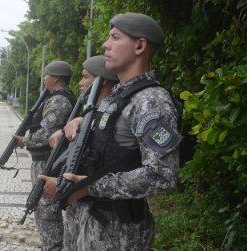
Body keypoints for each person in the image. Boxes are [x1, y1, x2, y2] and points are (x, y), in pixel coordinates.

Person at [43, 13, 181, 250]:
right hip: (91, 223)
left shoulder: (150, 101)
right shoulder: (118, 96)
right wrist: (80, 121)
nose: (105, 44)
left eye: (115, 37)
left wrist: (89, 186)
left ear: (140, 46)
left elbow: (163, 175)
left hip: (120, 234)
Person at [41, 55, 119, 250]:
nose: (80, 82)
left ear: (103, 81)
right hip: (81, 205)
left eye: (85, 77)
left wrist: (65, 184)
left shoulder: (115, 114)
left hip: (101, 212)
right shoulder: (93, 113)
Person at [13, 60, 76, 251]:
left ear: (56, 78)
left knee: (46, 208)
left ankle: (53, 246)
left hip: (48, 162)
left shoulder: (59, 100)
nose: (44, 79)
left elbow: (46, 134)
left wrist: (24, 140)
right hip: (43, 160)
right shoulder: (54, 97)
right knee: (42, 206)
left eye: (47, 75)